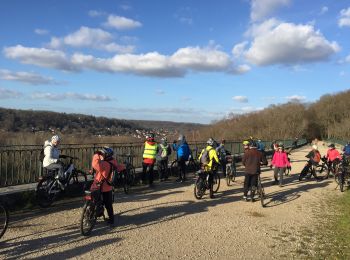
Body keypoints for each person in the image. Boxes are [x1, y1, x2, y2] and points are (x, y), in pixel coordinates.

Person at [91, 147, 125, 226]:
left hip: (98, 186)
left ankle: (92, 216)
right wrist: (124, 166)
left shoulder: (104, 164)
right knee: (108, 204)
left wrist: (96, 154)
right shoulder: (113, 162)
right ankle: (111, 220)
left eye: (102, 154)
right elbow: (119, 167)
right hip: (108, 187)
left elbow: (95, 164)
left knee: (94, 201)